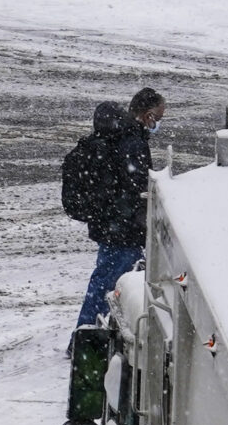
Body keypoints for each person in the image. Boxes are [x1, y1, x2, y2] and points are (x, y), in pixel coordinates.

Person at [61, 89, 163, 331]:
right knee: (110, 286)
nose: (157, 124)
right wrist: (139, 218)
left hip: (110, 225)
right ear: (148, 115)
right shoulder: (132, 141)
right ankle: (85, 340)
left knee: (106, 282)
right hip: (123, 230)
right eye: (158, 117)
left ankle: (88, 338)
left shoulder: (120, 137)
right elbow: (136, 188)